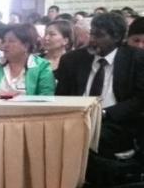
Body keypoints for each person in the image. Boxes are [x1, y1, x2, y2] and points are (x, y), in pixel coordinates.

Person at [57, 13, 144, 157]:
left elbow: (139, 99)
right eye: (92, 33)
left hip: (115, 122)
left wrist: (103, 113)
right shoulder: (72, 60)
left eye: (99, 35)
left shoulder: (135, 59)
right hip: (76, 119)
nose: (92, 39)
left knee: (88, 139)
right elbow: (61, 97)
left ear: (117, 38)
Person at [0, 24, 55, 96]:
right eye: (4, 41)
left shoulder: (42, 67)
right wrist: (4, 96)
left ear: (26, 46)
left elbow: (46, 97)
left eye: (11, 41)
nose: (5, 45)